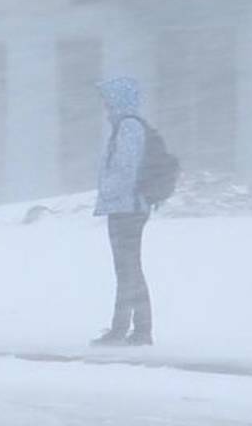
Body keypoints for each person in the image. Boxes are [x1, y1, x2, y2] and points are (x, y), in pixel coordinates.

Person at [91, 77, 154, 347]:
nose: (104, 105)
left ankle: (130, 330)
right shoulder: (126, 127)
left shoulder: (128, 128)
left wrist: (106, 190)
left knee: (128, 269)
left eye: (107, 99)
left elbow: (124, 170)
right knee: (129, 269)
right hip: (127, 206)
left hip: (126, 208)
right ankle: (135, 328)